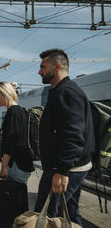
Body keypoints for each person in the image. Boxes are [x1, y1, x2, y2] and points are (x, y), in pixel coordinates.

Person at [34, 48, 95, 226]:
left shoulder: (66, 92)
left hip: (63, 168)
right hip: (68, 166)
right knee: (69, 215)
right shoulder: (63, 91)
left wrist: (62, 170)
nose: (39, 71)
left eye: (43, 67)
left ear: (58, 66)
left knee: (48, 217)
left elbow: (73, 134)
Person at [0, 81, 34, 184]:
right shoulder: (19, 110)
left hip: (16, 164)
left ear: (6, 93)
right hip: (22, 162)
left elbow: (10, 143)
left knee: (14, 197)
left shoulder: (13, 112)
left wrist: (4, 166)